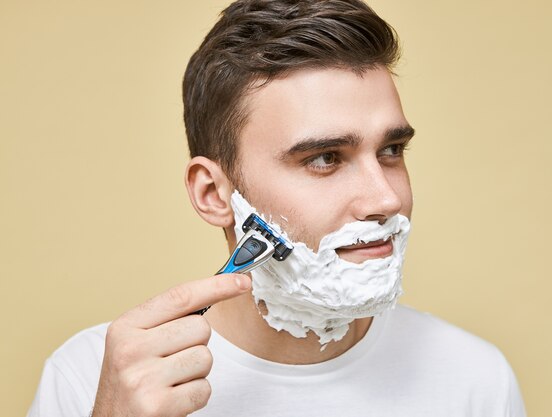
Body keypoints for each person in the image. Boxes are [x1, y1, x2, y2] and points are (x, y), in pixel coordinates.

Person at [28, 1, 526, 416]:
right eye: (325, 158)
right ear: (213, 194)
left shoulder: (473, 379)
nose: (387, 199)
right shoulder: (94, 380)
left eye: (391, 151)